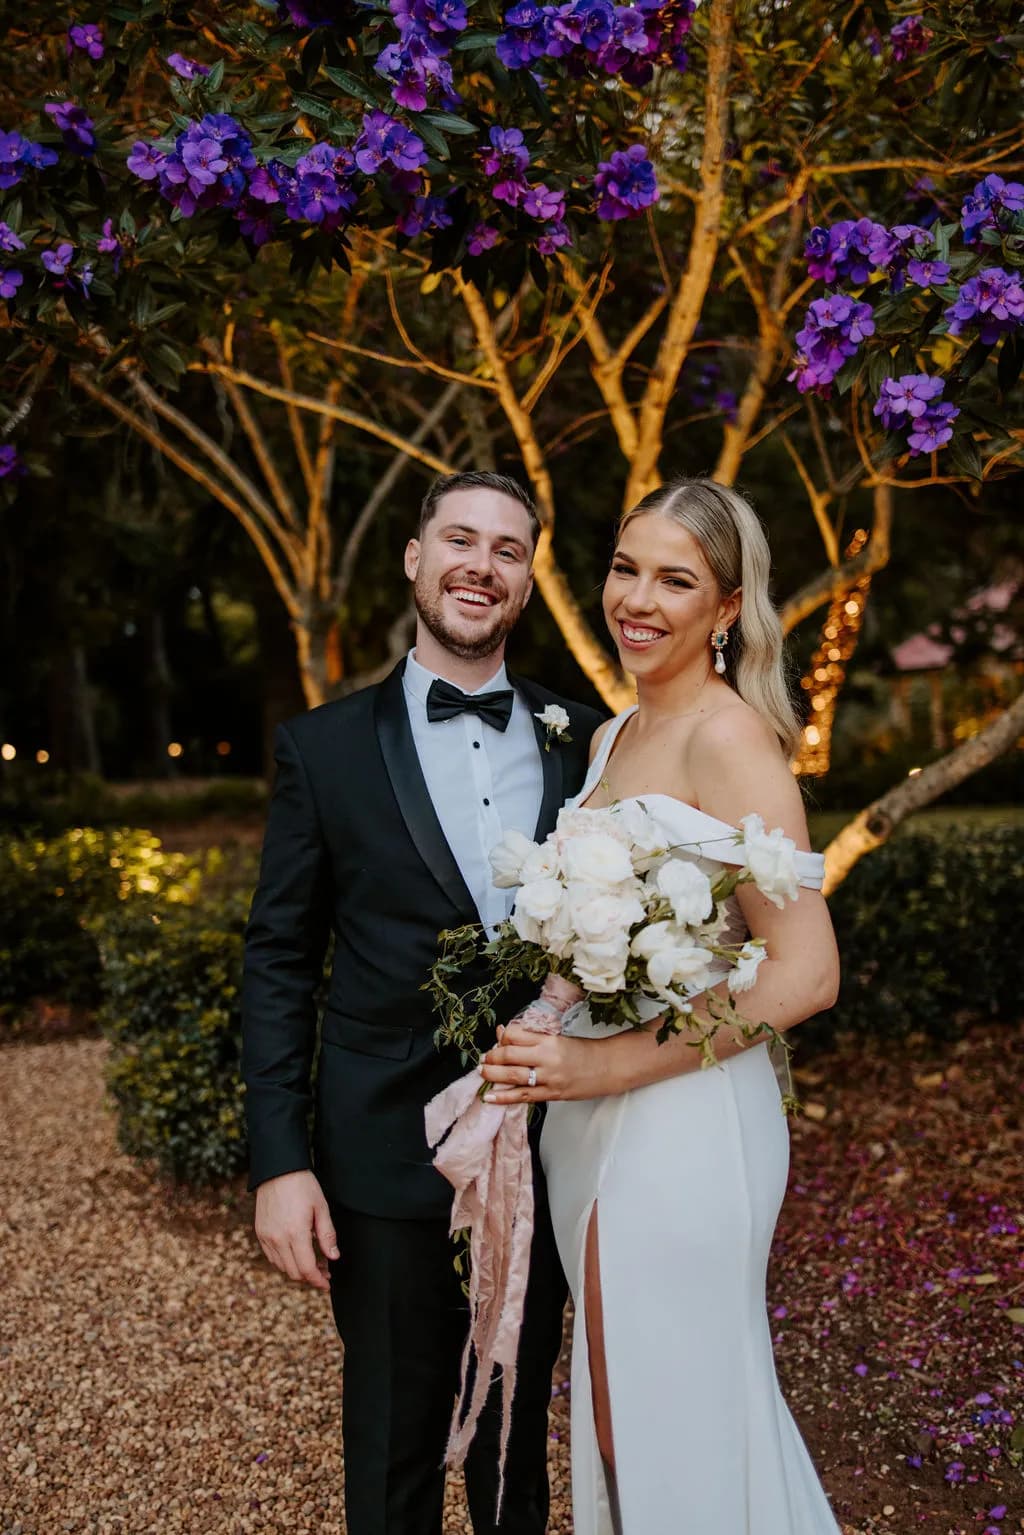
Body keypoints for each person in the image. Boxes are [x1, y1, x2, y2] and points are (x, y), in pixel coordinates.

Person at [240, 469, 604, 1535]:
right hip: (382, 1154)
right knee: (392, 1452)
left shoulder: (588, 740)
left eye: (506, 549)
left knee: (511, 1456)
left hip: (541, 1144)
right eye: (460, 538)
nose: (478, 565)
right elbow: (278, 958)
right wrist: (279, 1159)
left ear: (527, 580)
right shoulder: (325, 746)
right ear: (414, 557)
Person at [480, 477, 843, 1534]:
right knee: (617, 1413)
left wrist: (605, 1064)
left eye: (674, 578)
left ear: (726, 607)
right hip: (587, 1116)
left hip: (681, 1118)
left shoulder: (732, 741)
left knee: (666, 1414)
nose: (637, 598)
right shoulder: (610, 736)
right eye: (626, 566)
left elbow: (804, 970)